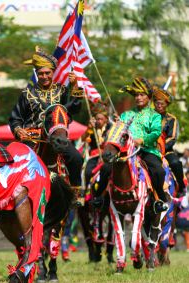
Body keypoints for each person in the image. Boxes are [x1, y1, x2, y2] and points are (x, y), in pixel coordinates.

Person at [9, 47, 84, 198]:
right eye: (40, 73)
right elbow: (15, 118)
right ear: (36, 74)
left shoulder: (62, 91)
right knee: (14, 164)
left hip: (57, 137)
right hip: (33, 138)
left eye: (47, 73)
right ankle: (12, 196)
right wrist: (18, 130)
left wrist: (75, 87)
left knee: (76, 158)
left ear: (53, 73)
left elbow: (73, 109)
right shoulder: (27, 94)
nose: (44, 76)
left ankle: (76, 192)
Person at [119, 77, 168, 213]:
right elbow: (118, 131)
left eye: (142, 94)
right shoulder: (126, 115)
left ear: (148, 97)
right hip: (126, 152)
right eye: (136, 95)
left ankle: (159, 200)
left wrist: (141, 140)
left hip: (147, 151)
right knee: (106, 168)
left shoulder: (155, 116)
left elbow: (156, 132)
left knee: (158, 171)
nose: (138, 97)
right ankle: (101, 198)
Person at [152, 86, 186, 196]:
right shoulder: (147, 117)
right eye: (157, 103)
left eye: (162, 103)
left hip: (166, 151)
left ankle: (181, 187)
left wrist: (160, 147)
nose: (160, 105)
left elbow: (172, 137)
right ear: (154, 103)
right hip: (148, 149)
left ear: (167, 104)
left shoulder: (172, 119)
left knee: (176, 163)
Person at [80, 102, 112, 206]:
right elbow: (83, 139)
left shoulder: (111, 128)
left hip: (107, 156)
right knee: (88, 171)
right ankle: (84, 193)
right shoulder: (92, 128)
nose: (98, 121)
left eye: (100, 119)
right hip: (94, 156)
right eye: (97, 119)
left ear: (106, 119)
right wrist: (89, 128)